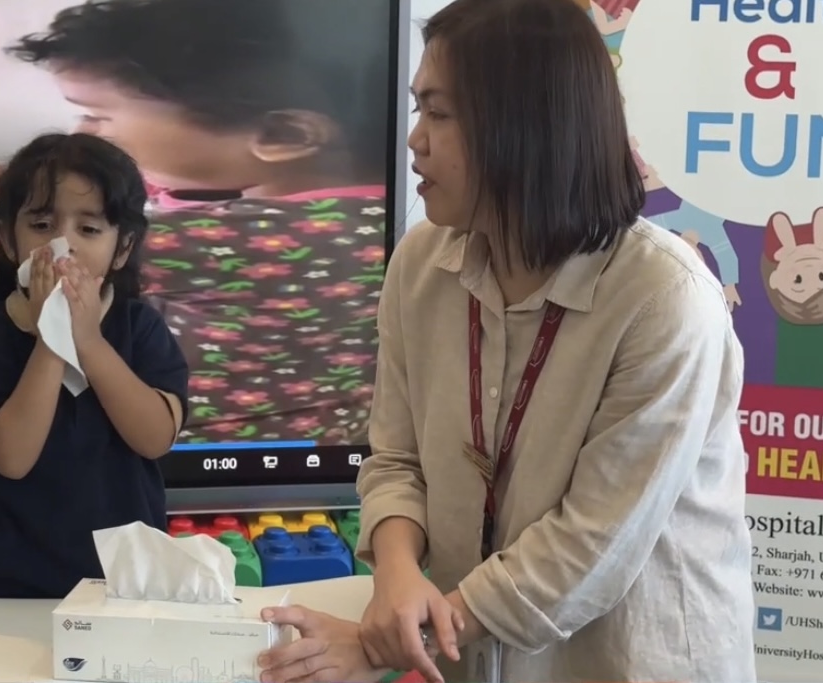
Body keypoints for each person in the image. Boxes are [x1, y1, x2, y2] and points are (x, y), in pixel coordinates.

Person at [258, 0, 755, 681]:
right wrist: (397, 576)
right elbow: (396, 458)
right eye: (418, 109)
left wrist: (387, 644)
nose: (414, 140)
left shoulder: (663, 298)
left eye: (439, 114)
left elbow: (590, 548)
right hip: (471, 653)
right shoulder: (420, 264)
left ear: (525, 124)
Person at [0, 0, 389, 445]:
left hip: (184, 459)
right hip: (329, 441)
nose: (82, 130)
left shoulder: (218, 238)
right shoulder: (353, 202)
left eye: (98, 115)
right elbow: (34, 179)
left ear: (283, 134)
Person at [0, 132, 189, 599]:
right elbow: (12, 459)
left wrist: (88, 340)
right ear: (8, 239)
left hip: (130, 588)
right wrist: (52, 338)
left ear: (122, 248)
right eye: (42, 225)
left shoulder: (140, 327)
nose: (63, 245)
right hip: (16, 590)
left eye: (89, 229)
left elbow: (154, 439)